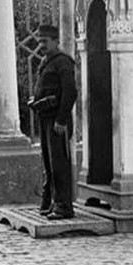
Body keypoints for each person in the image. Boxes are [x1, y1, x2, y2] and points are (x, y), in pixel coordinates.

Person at [29, 24, 78, 220]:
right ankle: (52, 202)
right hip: (46, 116)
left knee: (59, 163)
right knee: (49, 164)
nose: (41, 45)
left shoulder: (63, 62)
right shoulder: (47, 61)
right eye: (39, 41)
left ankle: (64, 206)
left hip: (58, 120)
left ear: (56, 41)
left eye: (45, 41)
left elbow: (70, 92)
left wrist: (61, 119)